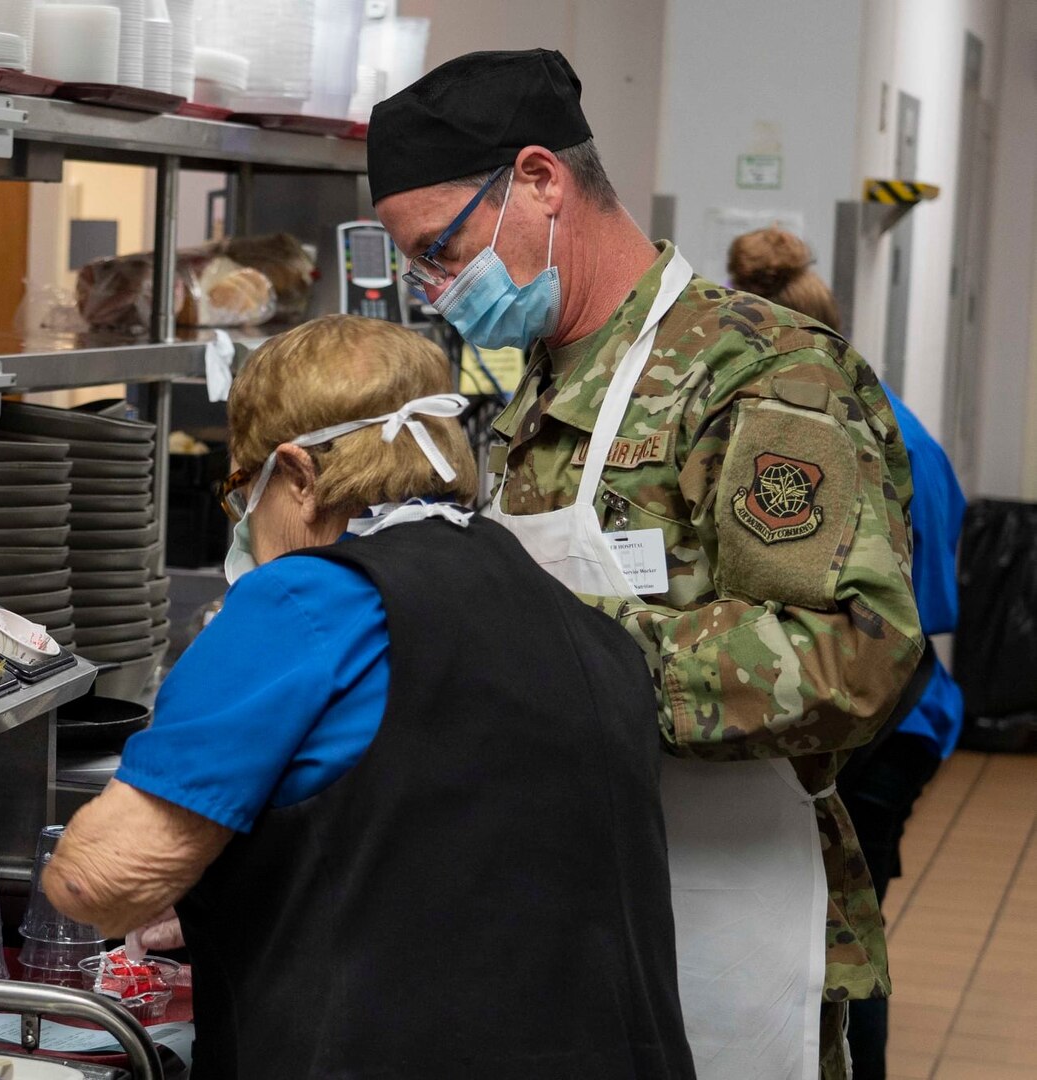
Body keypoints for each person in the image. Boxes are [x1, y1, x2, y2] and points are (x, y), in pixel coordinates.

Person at [367, 50, 923, 1080]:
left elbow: (853, 658)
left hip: (721, 915)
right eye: (418, 269)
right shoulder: (532, 388)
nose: (438, 292)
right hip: (568, 922)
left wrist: (541, 654)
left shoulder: (757, 372)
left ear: (539, 181)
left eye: (442, 251)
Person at [44, 315, 696, 1079]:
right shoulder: (560, 608)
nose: (245, 527)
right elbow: (445, 849)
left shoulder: (300, 603)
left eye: (239, 493)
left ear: (296, 475)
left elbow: (105, 881)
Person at [729, 226, 968, 1080]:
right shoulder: (898, 425)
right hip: (879, 722)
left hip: (872, 730)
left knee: (838, 947)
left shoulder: (856, 438)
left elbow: (908, 617)